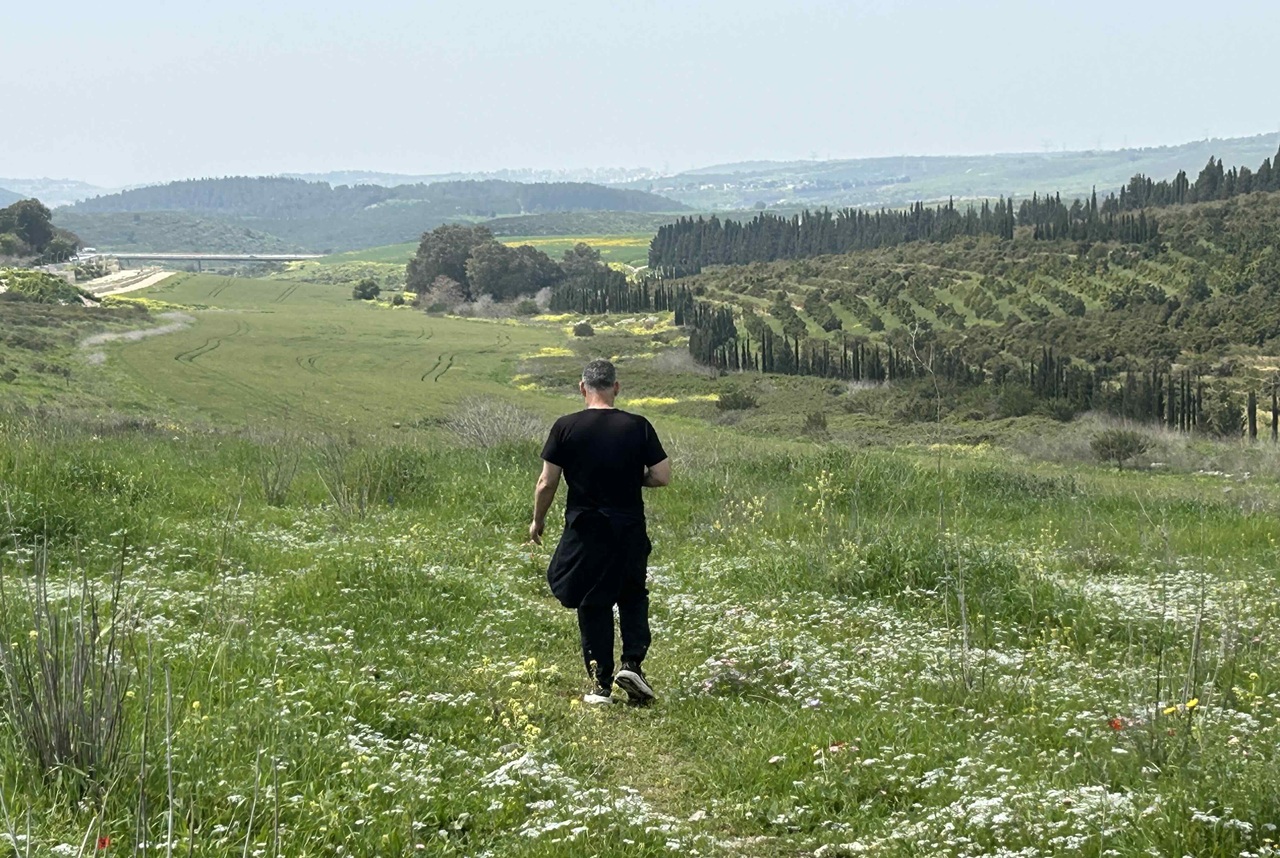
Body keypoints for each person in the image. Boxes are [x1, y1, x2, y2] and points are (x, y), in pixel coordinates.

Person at [529, 359, 671, 705]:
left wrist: (538, 520)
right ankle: (632, 665)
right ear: (616, 387)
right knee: (633, 593)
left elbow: (547, 482)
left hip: (586, 528)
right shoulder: (638, 426)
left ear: (582, 388)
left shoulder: (565, 427)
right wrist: (631, 478)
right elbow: (662, 476)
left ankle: (600, 684)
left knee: (593, 601)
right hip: (629, 526)